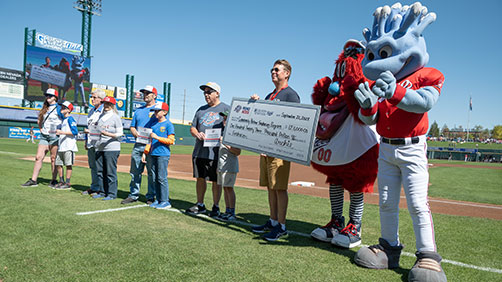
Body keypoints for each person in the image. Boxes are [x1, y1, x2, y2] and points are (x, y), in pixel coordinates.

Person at [250, 59, 300, 241]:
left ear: (287, 73)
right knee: (270, 188)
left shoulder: (290, 95)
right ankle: (272, 221)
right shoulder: (270, 95)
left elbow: (294, 123)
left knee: (279, 188)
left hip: (280, 151)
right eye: (272, 70)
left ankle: (282, 225)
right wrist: (255, 104)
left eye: (277, 70)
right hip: (266, 151)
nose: (273, 72)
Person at [186, 82, 230, 217]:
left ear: (217, 93)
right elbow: (193, 127)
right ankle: (200, 204)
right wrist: (197, 133)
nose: (206, 95)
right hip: (200, 150)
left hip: (216, 152)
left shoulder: (226, 108)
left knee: (216, 180)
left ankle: (216, 206)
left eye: (209, 92)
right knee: (200, 178)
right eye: (205, 92)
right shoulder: (201, 109)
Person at [121, 85, 159, 205]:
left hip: (152, 146)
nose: (145, 95)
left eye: (148, 93)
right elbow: (132, 126)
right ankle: (133, 194)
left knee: (152, 173)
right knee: (135, 172)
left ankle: (151, 196)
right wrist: (135, 133)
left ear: (154, 95)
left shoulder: (158, 110)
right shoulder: (138, 111)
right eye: (144, 93)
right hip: (138, 144)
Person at [21, 88, 64, 188]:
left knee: (53, 159)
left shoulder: (59, 108)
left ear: (55, 98)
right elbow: (39, 120)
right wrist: (41, 129)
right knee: (38, 157)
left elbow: (65, 120)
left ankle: (53, 180)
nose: (47, 97)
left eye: (50, 95)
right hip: (44, 136)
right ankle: (33, 180)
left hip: (54, 136)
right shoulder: (44, 107)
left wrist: (60, 132)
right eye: (46, 95)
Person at [142, 102, 175, 209]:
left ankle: (165, 201)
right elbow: (149, 140)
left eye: (157, 111)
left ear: (165, 112)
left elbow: (171, 140)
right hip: (152, 153)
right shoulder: (154, 124)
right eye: (155, 111)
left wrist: (157, 137)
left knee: (161, 178)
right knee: (155, 178)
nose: (155, 113)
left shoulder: (168, 124)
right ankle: (158, 199)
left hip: (163, 154)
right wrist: (145, 152)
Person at [93, 96, 123, 201]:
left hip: (112, 147)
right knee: (100, 171)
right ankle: (102, 191)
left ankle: (111, 193)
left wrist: (107, 133)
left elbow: (120, 133)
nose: (106, 106)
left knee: (110, 171)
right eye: (105, 103)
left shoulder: (115, 117)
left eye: (108, 104)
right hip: (100, 146)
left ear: (112, 105)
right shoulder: (101, 116)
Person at [216, 110, 241, 221]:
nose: (224, 120)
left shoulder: (234, 133)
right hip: (221, 165)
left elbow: (238, 152)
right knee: (225, 188)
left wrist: (226, 143)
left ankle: (232, 212)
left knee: (229, 188)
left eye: (226, 118)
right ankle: (227, 210)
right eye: (224, 118)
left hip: (230, 166)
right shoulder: (223, 132)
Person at [82, 90, 106, 195]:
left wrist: (91, 132)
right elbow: (89, 126)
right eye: (91, 97)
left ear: (101, 99)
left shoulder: (105, 111)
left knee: (100, 167)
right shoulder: (91, 111)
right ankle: (94, 187)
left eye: (94, 97)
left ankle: (101, 189)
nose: (92, 99)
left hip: (100, 143)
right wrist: (86, 141)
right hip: (91, 142)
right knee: (92, 166)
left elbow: (104, 128)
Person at [54, 101, 78, 190]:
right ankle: (61, 181)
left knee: (68, 165)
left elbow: (75, 132)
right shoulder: (63, 120)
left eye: (64, 108)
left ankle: (67, 182)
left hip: (69, 146)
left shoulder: (70, 119)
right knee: (58, 164)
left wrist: (62, 132)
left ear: (68, 110)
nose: (61, 109)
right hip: (62, 146)